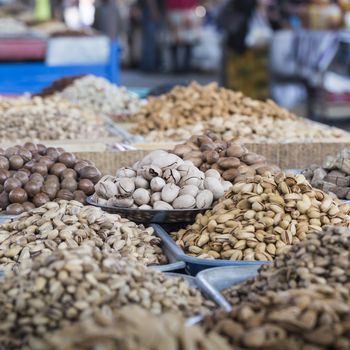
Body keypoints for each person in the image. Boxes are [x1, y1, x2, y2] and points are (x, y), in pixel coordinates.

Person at [165, 0, 200, 72]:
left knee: (189, 40)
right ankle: (175, 66)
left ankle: (186, 65)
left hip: (188, 11)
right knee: (174, 40)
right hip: (174, 11)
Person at [139, 0, 162, 71]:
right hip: (150, 13)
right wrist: (153, 10)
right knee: (150, 42)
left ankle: (148, 65)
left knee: (149, 41)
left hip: (149, 12)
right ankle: (150, 66)